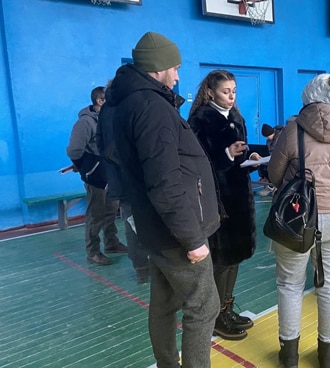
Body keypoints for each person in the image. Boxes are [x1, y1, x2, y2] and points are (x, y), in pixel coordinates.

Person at [109, 31, 220, 368]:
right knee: (203, 306)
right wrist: (192, 238)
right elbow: (165, 181)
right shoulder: (151, 108)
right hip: (175, 230)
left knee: (164, 302)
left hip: (152, 225)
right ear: (158, 68)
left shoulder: (124, 103)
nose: (178, 75)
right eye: (175, 67)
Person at [268, 74, 330, 368]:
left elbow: (272, 174)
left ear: (308, 96)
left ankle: (290, 353)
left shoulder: (294, 129)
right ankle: (327, 353)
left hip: (298, 217)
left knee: (290, 284)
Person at [188, 70, 258, 341]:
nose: (231, 96)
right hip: (217, 200)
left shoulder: (237, 118)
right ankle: (216, 316)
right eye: (225, 91)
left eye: (234, 91)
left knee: (236, 257)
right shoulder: (200, 120)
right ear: (210, 92)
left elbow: (240, 150)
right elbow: (197, 164)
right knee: (221, 260)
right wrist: (227, 155)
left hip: (239, 197)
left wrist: (250, 155)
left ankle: (226, 308)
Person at [66, 86, 127, 266]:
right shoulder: (85, 123)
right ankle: (92, 252)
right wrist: (83, 166)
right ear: (100, 101)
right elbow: (74, 149)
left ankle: (111, 243)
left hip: (112, 174)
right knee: (96, 214)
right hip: (96, 176)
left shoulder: (109, 119)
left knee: (110, 211)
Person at [97, 81, 150, 283]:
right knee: (143, 222)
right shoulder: (131, 107)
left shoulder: (105, 110)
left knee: (131, 223)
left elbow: (101, 144)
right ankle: (149, 266)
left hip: (120, 179)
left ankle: (141, 268)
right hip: (138, 176)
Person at [258, 123, 284, 196]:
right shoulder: (269, 140)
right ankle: (269, 183)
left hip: (280, 159)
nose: (267, 138)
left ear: (272, 133)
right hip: (271, 159)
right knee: (263, 165)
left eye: (267, 136)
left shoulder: (282, 137)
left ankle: (273, 186)